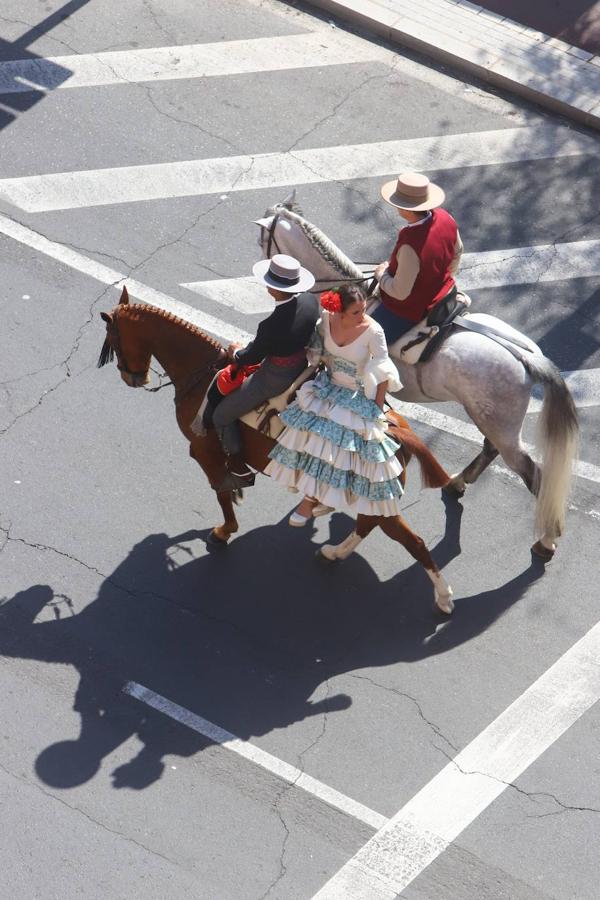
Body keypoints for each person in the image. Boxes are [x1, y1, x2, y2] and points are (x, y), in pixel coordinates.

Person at [265, 283, 404, 525]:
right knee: (304, 431)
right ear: (339, 312)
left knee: (330, 440)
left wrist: (377, 407)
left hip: (357, 394)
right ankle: (319, 493)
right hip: (328, 384)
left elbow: (383, 372)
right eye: (356, 312)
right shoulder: (326, 320)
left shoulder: (374, 331)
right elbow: (317, 353)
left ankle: (310, 501)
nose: (363, 316)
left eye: (363, 309)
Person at [205, 254, 319, 487]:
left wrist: (235, 351)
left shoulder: (271, 324)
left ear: (272, 289)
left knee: (221, 415)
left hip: (274, 378)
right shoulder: (310, 301)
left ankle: (238, 468)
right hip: (301, 366)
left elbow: (251, 357)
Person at [371, 172, 463, 344]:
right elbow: (457, 252)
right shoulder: (445, 217)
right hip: (445, 289)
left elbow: (400, 292)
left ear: (405, 209)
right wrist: (440, 276)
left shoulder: (410, 245)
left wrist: (381, 275)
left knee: (366, 344)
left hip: (410, 310)